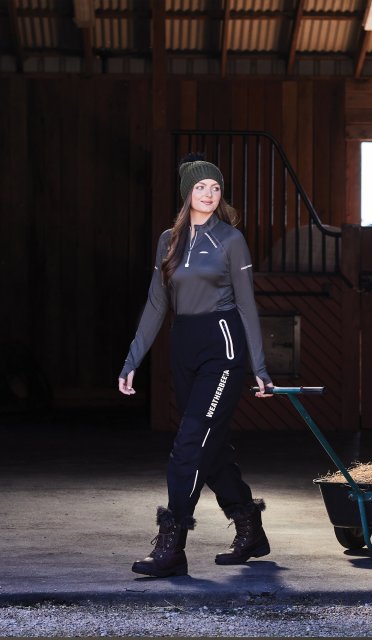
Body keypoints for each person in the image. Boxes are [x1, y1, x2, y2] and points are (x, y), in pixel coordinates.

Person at [118, 154, 274, 577]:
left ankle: (172, 546)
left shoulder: (231, 240)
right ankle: (250, 527)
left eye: (216, 188)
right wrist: (133, 359)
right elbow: (156, 303)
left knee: (189, 445)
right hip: (183, 347)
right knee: (211, 447)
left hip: (223, 348)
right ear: (187, 192)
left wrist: (259, 367)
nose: (209, 194)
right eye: (201, 187)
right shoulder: (168, 239)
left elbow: (246, 305)